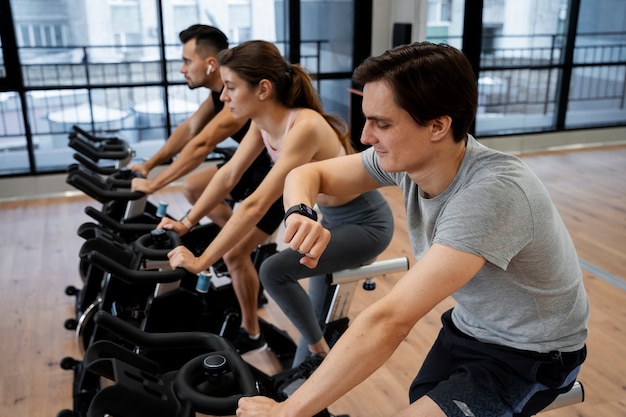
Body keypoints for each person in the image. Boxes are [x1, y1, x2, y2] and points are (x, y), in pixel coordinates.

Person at [237, 42, 589, 417]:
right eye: (367, 119)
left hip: (533, 354)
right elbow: (308, 173)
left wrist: (288, 410)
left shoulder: (493, 193)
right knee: (418, 397)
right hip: (468, 327)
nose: (366, 136)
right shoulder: (405, 158)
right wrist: (301, 213)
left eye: (383, 124)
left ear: (438, 126)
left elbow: (390, 320)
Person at [158, 40, 393, 357]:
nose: (223, 96)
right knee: (310, 315)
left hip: (366, 223)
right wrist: (186, 223)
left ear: (263, 89)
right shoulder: (262, 124)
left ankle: (318, 356)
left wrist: (202, 262)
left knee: (274, 273)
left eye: (230, 87)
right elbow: (229, 175)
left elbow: (256, 204)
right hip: (331, 223)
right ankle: (314, 358)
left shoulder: (305, 125)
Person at [128, 24, 277, 229]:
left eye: (187, 61)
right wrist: (148, 165)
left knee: (235, 251)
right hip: (249, 162)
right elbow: (190, 128)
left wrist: (154, 185)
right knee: (192, 187)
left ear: (211, 64)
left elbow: (202, 143)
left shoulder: (238, 98)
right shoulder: (218, 93)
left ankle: (242, 243)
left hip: (267, 169)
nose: (182, 69)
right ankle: (237, 241)